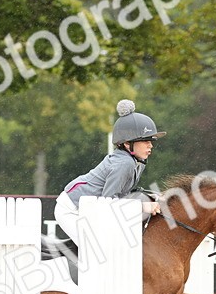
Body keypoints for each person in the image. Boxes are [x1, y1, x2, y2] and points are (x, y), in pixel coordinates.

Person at [54, 99, 165, 246]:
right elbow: (107, 203)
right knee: (95, 248)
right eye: (145, 141)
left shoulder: (137, 162)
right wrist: (143, 206)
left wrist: (152, 196)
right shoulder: (124, 164)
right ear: (127, 143)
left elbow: (122, 194)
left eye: (151, 141)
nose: (150, 145)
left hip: (89, 206)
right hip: (72, 209)